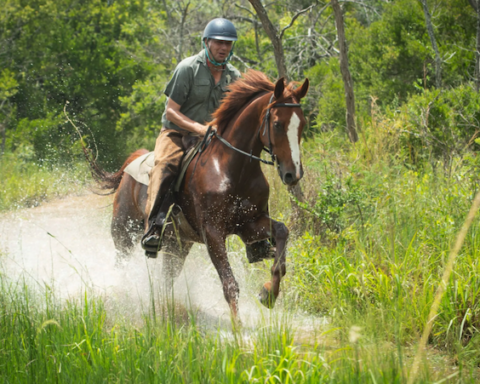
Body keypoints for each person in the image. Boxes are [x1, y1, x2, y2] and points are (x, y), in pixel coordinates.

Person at [141, 18, 241, 256]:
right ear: (206, 42)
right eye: (218, 42)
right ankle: (154, 226)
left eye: (228, 43)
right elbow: (171, 111)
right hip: (176, 133)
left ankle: (254, 233)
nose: (223, 47)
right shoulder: (187, 68)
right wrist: (198, 128)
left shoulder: (234, 76)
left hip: (213, 139)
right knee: (166, 165)